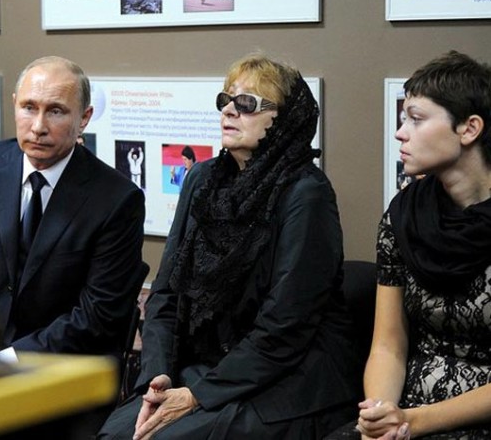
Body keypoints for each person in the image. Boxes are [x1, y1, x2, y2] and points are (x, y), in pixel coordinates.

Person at [98, 53, 360, 439]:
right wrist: (158, 377)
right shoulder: (202, 179)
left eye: (247, 103)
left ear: (285, 119)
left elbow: (286, 325)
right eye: (226, 100)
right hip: (203, 369)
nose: (229, 111)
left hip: (286, 381)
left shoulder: (306, 192)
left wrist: (197, 396)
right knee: (117, 434)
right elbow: (166, 294)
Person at [326, 51, 491, 440]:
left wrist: (413, 422)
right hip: (408, 409)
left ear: (469, 129)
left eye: (416, 119)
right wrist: (380, 414)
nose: (401, 132)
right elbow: (389, 346)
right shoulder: (404, 215)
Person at [0, 56, 146, 359]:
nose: (38, 127)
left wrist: (7, 360)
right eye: (29, 107)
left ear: (84, 118)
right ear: (14, 104)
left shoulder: (117, 200)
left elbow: (97, 317)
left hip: (60, 365)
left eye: (56, 111)